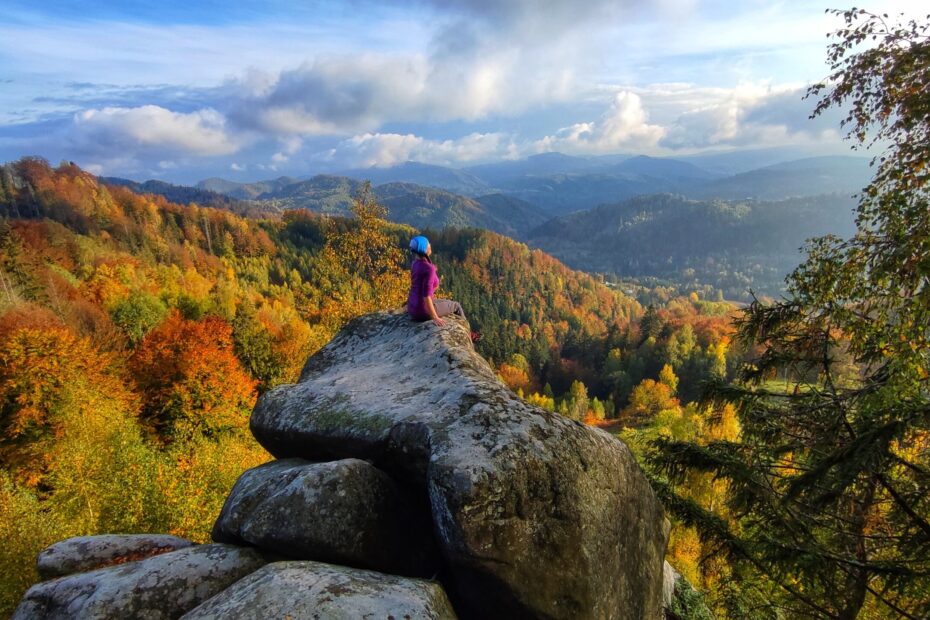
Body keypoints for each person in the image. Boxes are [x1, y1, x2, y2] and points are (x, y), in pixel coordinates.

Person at [406, 235, 479, 341]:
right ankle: (468, 335)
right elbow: (426, 296)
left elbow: (416, 287)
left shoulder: (415, 264)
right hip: (423, 310)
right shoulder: (429, 268)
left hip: (412, 308)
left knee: (444, 302)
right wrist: (435, 317)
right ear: (424, 248)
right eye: (428, 244)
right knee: (456, 305)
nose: (430, 245)